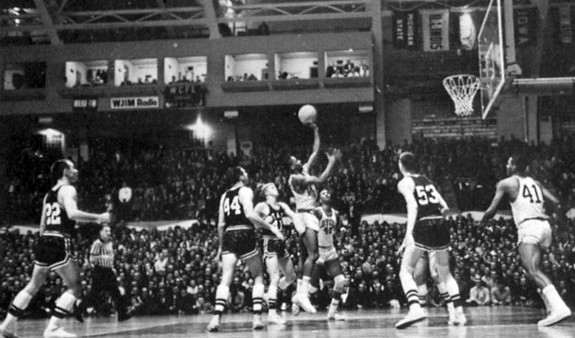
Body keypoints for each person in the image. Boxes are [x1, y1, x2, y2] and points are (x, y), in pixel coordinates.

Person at [0, 159, 110, 338]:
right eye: (73, 168)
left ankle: (6, 327)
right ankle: (52, 329)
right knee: (75, 286)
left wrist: (44, 243)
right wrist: (99, 217)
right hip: (59, 240)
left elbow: (43, 225)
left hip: (44, 241)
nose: (76, 171)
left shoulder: (48, 194)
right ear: (65, 171)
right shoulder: (68, 190)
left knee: (32, 286)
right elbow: (72, 214)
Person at [481, 155, 572, 326]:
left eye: (508, 163)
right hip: (545, 226)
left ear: (513, 166)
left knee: (533, 270)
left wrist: (482, 222)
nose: (506, 165)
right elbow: (556, 201)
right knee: (536, 271)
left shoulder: (506, 183)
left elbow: (492, 209)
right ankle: (551, 310)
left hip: (528, 226)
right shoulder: (535, 183)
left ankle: (559, 307)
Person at [207, 166, 284, 332]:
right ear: (241, 176)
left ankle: (215, 318)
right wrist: (271, 227)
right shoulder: (245, 191)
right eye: (245, 173)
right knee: (258, 276)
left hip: (228, 234)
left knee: (225, 278)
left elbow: (220, 224)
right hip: (244, 231)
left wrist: (220, 247)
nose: (247, 174)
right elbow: (249, 214)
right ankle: (256, 317)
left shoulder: (224, 195)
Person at [395, 152, 465, 329]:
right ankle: (458, 313)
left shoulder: (405, 182)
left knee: (405, 271)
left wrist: (408, 233)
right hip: (440, 226)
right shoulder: (428, 181)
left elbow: (413, 206)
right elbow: (445, 207)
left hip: (423, 225)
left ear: (401, 165)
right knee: (445, 273)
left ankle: (415, 307)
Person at [288, 122, 341, 314]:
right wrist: (332, 161)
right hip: (304, 214)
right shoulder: (295, 178)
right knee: (313, 254)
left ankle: (298, 295)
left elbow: (315, 151)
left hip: (306, 215)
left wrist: (316, 130)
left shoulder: (303, 169)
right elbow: (320, 180)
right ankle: (302, 294)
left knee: (305, 256)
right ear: (291, 166)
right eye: (294, 160)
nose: (298, 160)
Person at [254, 183, 297, 325]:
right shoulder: (262, 206)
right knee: (275, 277)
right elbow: (251, 219)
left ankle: (269, 295)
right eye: (271, 187)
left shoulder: (282, 205)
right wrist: (264, 223)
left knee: (291, 277)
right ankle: (272, 313)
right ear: (266, 192)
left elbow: (293, 215)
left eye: (275, 186)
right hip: (269, 241)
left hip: (281, 243)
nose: (275, 187)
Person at [75, 224, 131, 322]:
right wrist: (103, 257)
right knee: (94, 294)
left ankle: (122, 314)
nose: (109, 233)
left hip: (108, 270)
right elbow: (91, 258)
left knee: (116, 293)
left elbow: (111, 257)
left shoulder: (110, 243)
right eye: (106, 231)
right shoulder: (97, 244)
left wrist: (112, 266)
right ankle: (78, 311)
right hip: (100, 271)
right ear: (100, 232)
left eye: (109, 231)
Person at [310, 189, 347, 321]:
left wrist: (340, 233)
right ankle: (296, 301)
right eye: (324, 193)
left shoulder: (336, 213)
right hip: (318, 251)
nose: (327, 194)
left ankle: (332, 312)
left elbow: (336, 232)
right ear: (320, 199)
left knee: (340, 281)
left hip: (330, 250)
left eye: (328, 193)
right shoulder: (317, 211)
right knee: (312, 289)